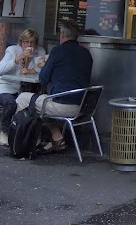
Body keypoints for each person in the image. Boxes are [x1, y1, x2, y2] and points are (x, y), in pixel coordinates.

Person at [15, 20, 92, 154]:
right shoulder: (87, 54)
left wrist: (45, 66)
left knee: (23, 98)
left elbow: (43, 79)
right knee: (43, 101)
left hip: (62, 106)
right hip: (83, 106)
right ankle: (57, 138)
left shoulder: (57, 51)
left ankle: (20, 142)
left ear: (62, 35)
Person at [0, 28, 46, 145]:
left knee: (35, 104)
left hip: (24, 89)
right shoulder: (12, 50)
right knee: (11, 103)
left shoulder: (40, 52)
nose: (29, 45)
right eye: (26, 42)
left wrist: (31, 70)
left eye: (32, 42)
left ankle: (29, 135)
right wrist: (19, 58)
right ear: (21, 42)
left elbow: (42, 70)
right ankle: (5, 132)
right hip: (4, 87)